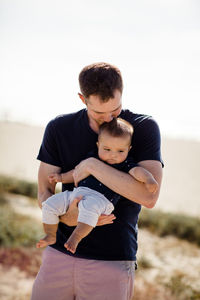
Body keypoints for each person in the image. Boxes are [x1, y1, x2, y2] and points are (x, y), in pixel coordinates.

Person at [31, 62, 163, 300]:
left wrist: (93, 166)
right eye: (99, 113)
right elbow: (44, 191)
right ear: (83, 99)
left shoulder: (143, 128)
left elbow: (149, 196)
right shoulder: (59, 128)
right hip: (58, 254)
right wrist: (67, 217)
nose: (110, 118)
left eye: (116, 109)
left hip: (111, 260)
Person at [36, 118, 158, 254]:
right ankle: (51, 235)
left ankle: (75, 237)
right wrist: (61, 177)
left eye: (120, 151)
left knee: (89, 209)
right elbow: (76, 172)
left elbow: (137, 171)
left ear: (128, 149)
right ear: (98, 145)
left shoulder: (125, 164)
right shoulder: (93, 157)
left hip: (101, 200)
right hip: (77, 193)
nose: (113, 155)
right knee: (50, 204)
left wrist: (149, 179)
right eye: (107, 149)